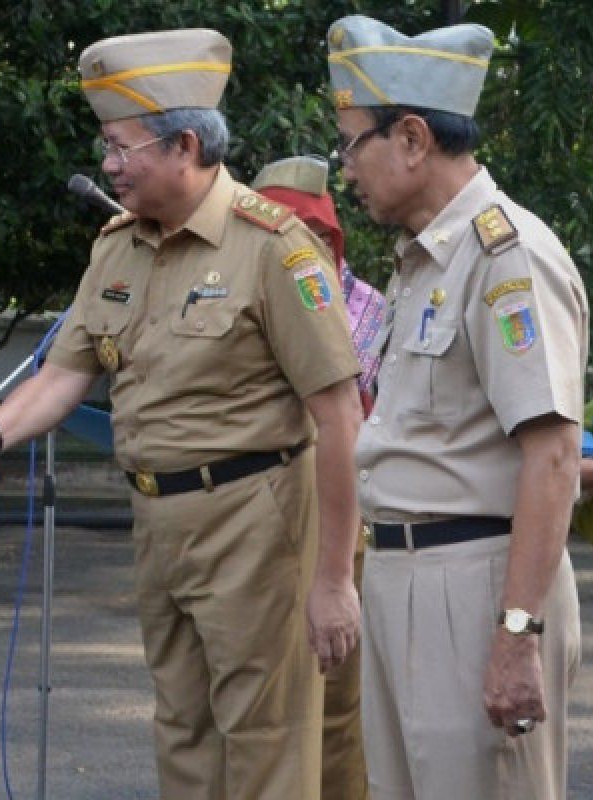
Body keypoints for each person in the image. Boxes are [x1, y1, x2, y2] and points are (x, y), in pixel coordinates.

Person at [0, 29, 363, 800]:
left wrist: (335, 579)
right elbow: (64, 374)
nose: (107, 166)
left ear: (185, 145)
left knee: (267, 741)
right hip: (157, 522)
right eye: (106, 147)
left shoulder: (275, 248)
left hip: (256, 522)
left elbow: (339, 418)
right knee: (183, 735)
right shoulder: (117, 247)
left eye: (120, 147)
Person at [327, 15, 587, 799]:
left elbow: (552, 456)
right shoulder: (424, 260)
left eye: (352, 145)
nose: (345, 171)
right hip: (403, 576)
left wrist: (517, 634)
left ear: (411, 138)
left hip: (475, 588)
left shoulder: (507, 257)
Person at [253, 155, 381, 800]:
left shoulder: (367, 306)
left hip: (341, 514)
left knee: (337, 702)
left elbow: (373, 417)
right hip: (260, 518)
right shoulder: (247, 285)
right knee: (262, 704)